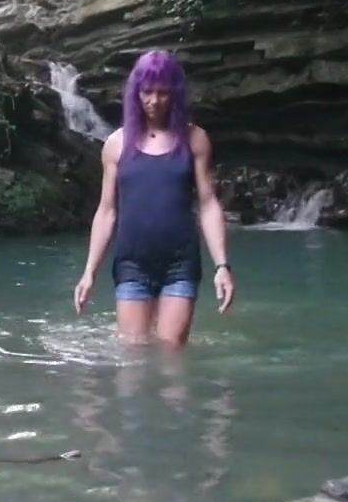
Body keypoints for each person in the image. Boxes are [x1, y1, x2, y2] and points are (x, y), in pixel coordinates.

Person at [73, 49, 234, 346]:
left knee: (172, 353)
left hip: (180, 263)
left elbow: (208, 203)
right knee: (132, 356)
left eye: (163, 92)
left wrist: (222, 266)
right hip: (132, 263)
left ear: (175, 94)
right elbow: (107, 211)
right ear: (136, 92)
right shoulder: (116, 144)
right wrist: (89, 273)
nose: (154, 100)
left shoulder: (195, 139)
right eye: (147, 92)